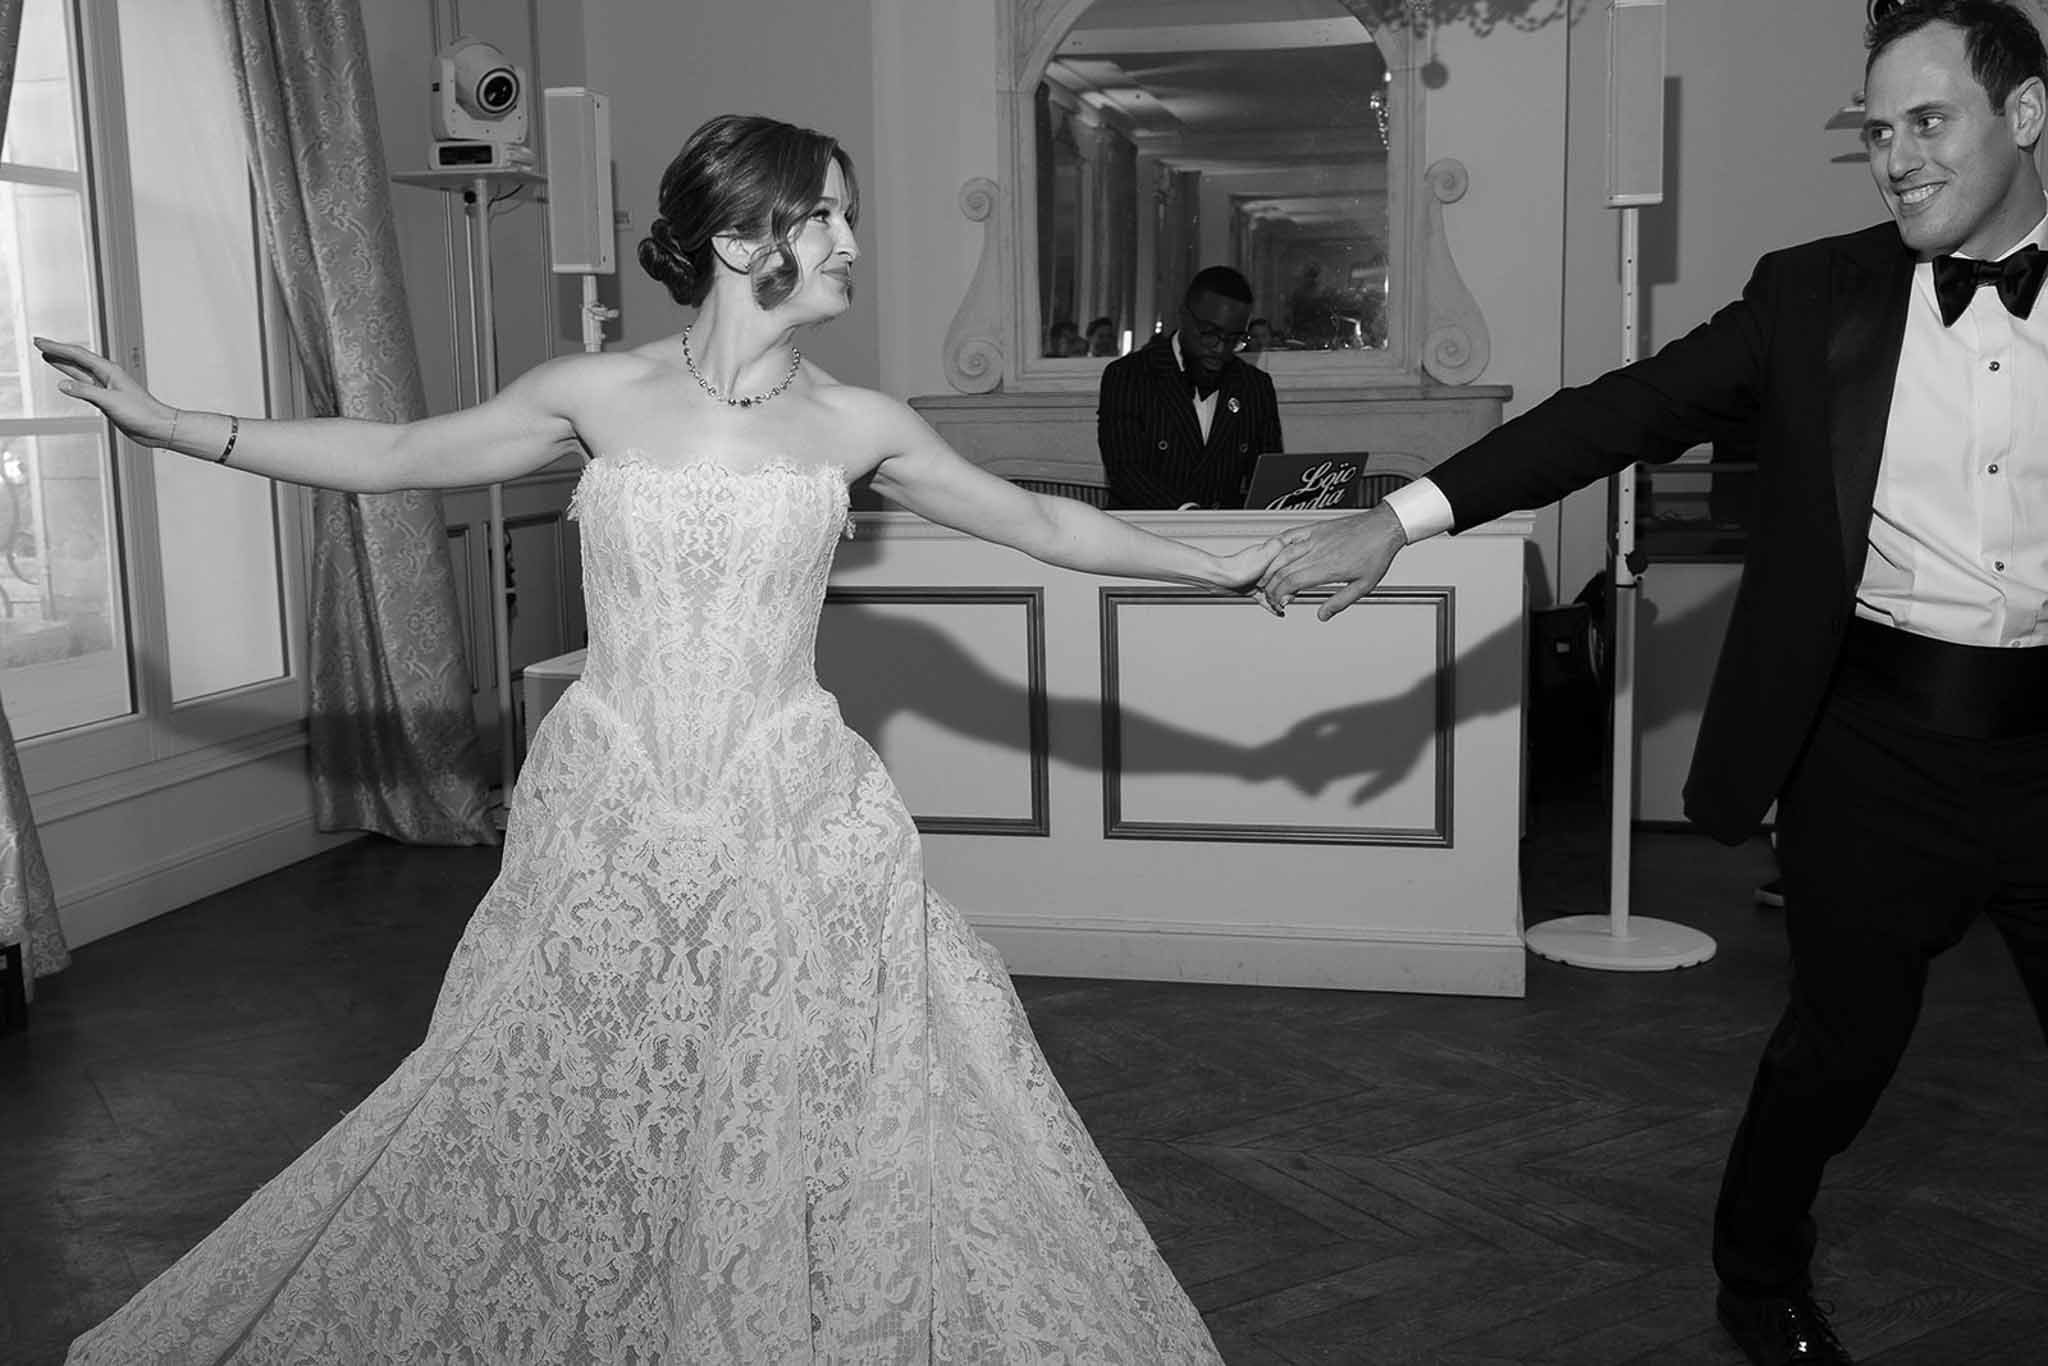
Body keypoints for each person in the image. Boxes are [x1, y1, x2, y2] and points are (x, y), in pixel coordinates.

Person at [40, 113, 1270, 1365]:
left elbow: (1044, 527)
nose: (851, 242)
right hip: (611, 807)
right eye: (823, 215)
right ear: (738, 239)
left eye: (847, 215)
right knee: (572, 1086)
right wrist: (177, 425)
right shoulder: (595, 394)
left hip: (788, 811)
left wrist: (1221, 568)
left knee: (790, 1101)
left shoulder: (860, 422)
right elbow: (398, 454)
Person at [1257, 3, 2048, 1363]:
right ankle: (1757, 1279)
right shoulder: (1814, 296)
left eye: (1928, 122)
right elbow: (1617, 413)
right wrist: (1398, 520)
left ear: (2024, 115)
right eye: (1876, 131)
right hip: (1876, 746)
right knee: (1838, 1051)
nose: (1896, 159)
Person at [1096, 265, 1284, 509]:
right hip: (1144, 528)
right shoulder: (1129, 376)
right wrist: (1190, 516)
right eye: (1210, 334)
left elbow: (1267, 482)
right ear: (1184, 316)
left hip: (1224, 531)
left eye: (1234, 339)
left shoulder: (1255, 387)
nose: (1221, 349)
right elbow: (1125, 472)